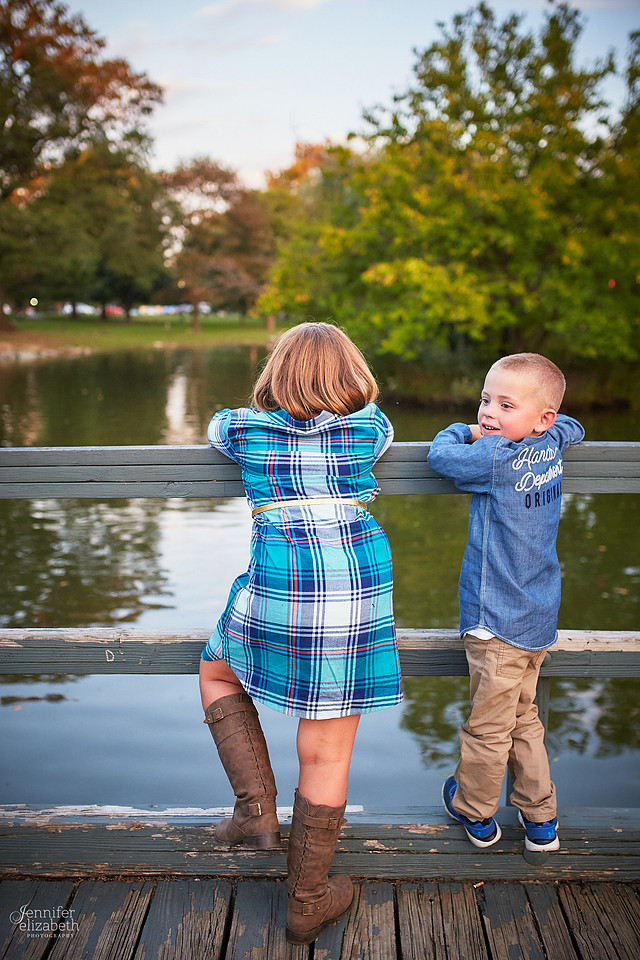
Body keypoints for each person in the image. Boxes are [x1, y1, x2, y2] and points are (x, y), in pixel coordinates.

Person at [199, 322, 402, 943]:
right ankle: (307, 899)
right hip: (353, 590)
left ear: (275, 376)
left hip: (282, 582)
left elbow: (214, 424)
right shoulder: (369, 428)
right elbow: (379, 421)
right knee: (326, 751)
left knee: (214, 668)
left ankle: (256, 813)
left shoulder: (243, 430)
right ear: (354, 379)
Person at [427, 353, 584, 855]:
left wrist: (463, 431)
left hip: (495, 622)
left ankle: (475, 811)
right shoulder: (551, 442)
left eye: (504, 404)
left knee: (489, 727)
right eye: (484, 400)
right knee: (523, 718)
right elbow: (573, 426)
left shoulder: (496, 457)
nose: (489, 414)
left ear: (540, 418)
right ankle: (541, 819)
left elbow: (440, 457)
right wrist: (548, 425)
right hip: (538, 618)